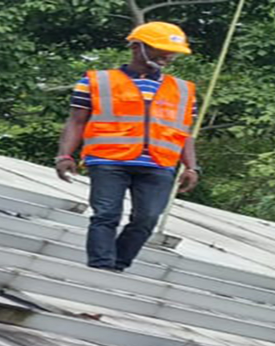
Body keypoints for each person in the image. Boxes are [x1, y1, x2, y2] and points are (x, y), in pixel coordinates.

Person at [55, 22, 200, 272]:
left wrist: (192, 166)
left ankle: (117, 267)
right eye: (160, 49)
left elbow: (184, 132)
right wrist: (64, 155)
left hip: (159, 164)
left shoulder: (184, 90)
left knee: (147, 219)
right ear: (136, 47)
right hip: (108, 160)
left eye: (172, 52)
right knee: (106, 215)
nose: (168, 56)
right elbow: (77, 121)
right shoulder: (97, 81)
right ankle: (101, 267)